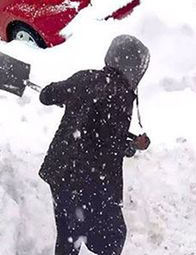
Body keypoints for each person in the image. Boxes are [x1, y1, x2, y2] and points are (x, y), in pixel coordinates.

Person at [38, 35, 152, 255]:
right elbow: (111, 145)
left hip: (61, 171)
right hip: (88, 179)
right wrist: (132, 147)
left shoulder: (85, 79)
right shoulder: (121, 97)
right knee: (112, 235)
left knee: (69, 234)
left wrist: (63, 96)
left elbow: (46, 95)